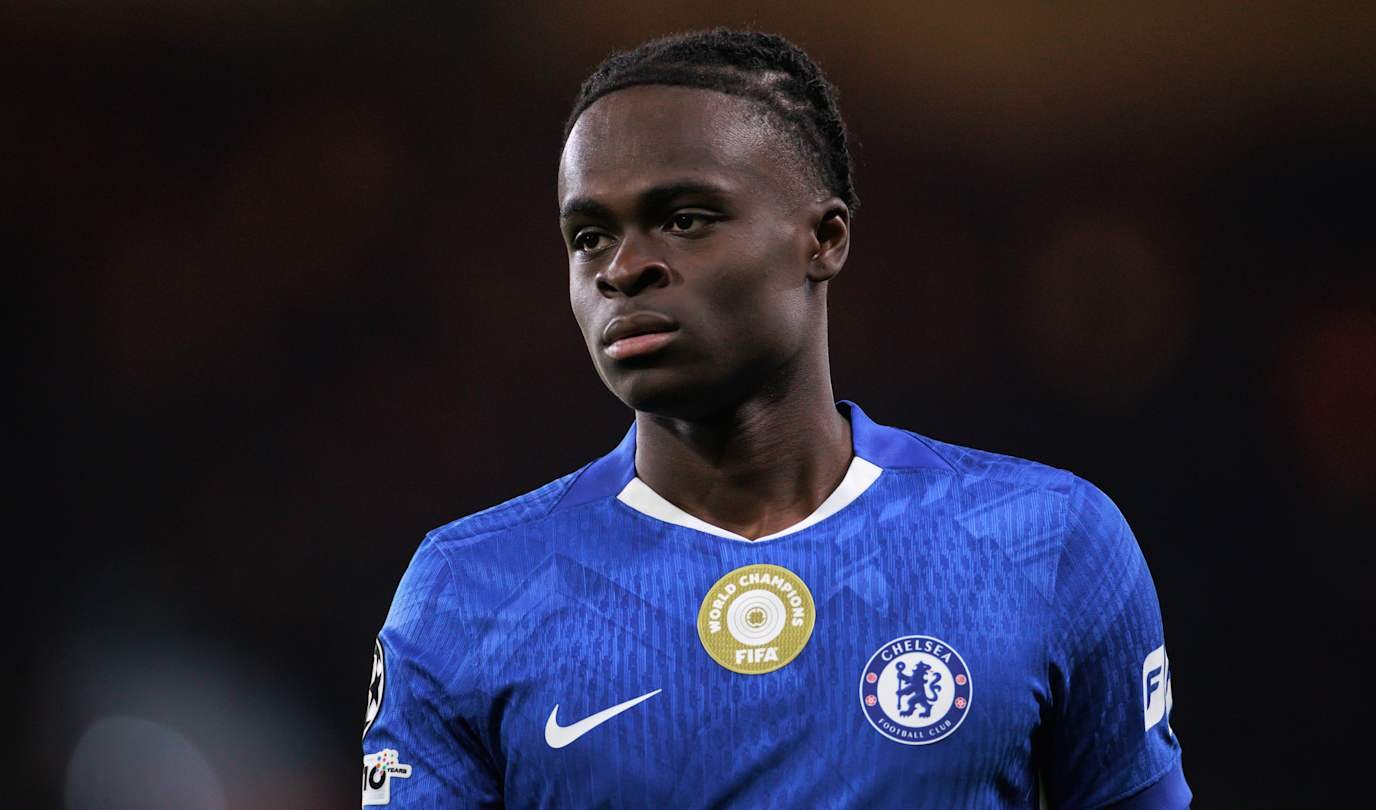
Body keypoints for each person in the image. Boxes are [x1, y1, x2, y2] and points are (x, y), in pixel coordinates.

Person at [362, 28, 1191, 809]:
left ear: (823, 239)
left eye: (684, 220)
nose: (623, 268)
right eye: (589, 237)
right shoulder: (468, 590)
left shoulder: (1047, 541)